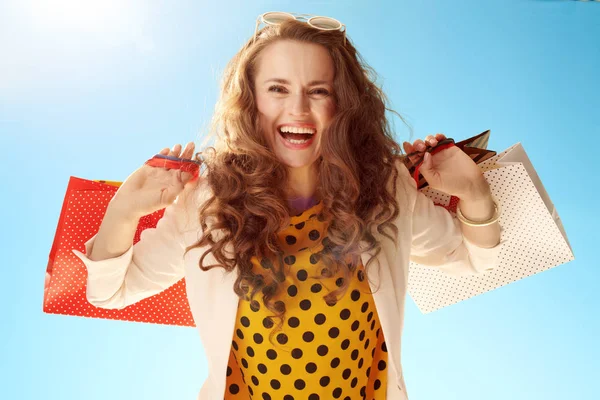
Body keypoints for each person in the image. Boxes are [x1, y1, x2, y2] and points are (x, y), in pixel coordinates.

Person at [73, 12, 502, 400]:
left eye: (319, 91)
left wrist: (476, 194)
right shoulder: (205, 201)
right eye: (277, 89)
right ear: (251, 101)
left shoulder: (387, 187)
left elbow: (471, 259)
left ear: (344, 105)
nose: (297, 108)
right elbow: (110, 292)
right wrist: (123, 211)